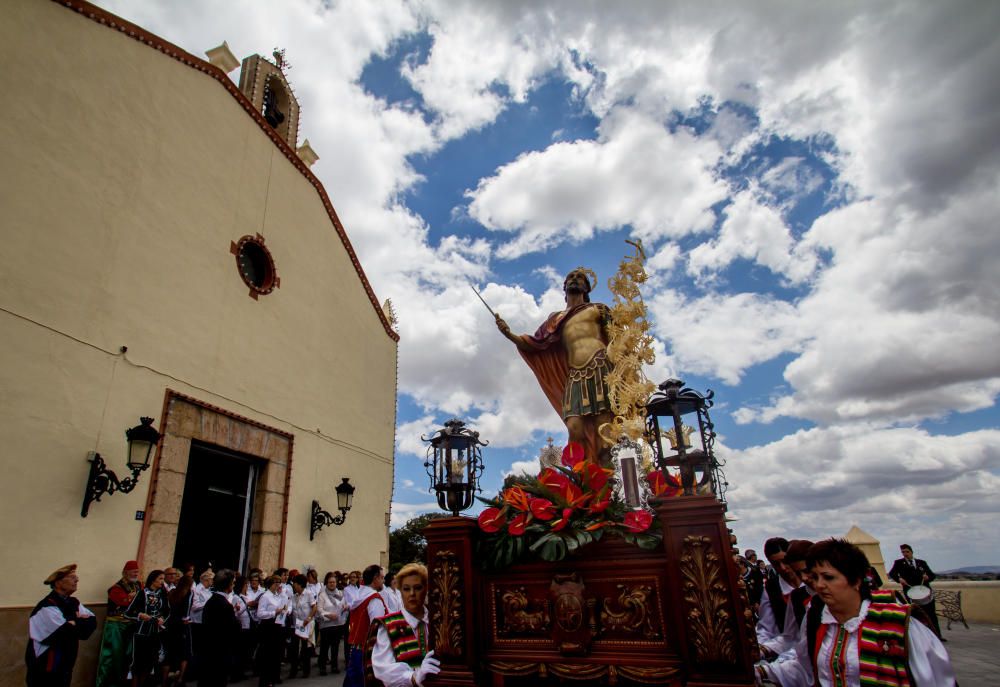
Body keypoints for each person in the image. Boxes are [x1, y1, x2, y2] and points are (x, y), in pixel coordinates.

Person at [758, 538, 955, 686]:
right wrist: (762, 672)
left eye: (828, 577)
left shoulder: (896, 622)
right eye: (815, 577)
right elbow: (804, 667)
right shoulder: (816, 619)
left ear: (855, 579)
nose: (819, 585)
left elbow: (936, 679)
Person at [495, 268, 614, 464]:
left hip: (601, 367)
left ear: (587, 287)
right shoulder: (556, 319)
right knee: (575, 427)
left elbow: (615, 340)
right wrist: (509, 334)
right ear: (564, 287)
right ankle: (583, 480)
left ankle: (610, 482)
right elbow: (535, 343)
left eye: (580, 278)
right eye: (571, 278)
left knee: (605, 430)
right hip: (576, 374)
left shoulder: (599, 309)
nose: (575, 280)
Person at [366, 563, 440, 687]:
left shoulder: (438, 621)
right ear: (400, 590)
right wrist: (413, 677)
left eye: (418, 588)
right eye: (406, 588)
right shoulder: (389, 625)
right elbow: (383, 669)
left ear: (426, 589)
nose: (412, 593)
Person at [25, 564, 97, 687]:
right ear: (58, 583)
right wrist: (77, 621)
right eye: (71, 577)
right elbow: (63, 632)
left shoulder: (74, 602)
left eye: (76, 576)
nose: (77, 579)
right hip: (46, 667)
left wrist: (73, 622)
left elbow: (91, 622)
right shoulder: (46, 606)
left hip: (66, 665)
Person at [97, 560, 143, 687]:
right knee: (112, 657)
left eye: (137, 571)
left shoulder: (139, 585)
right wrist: (134, 598)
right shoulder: (115, 588)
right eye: (133, 571)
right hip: (116, 627)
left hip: (132, 626)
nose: (136, 574)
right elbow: (123, 601)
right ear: (125, 572)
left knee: (128, 657)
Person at [755, 538, 802, 660]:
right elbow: (766, 627)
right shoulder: (772, 589)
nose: (783, 568)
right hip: (785, 653)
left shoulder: (811, 583)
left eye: (785, 561)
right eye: (776, 564)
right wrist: (761, 649)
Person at [344, 565, 388, 687]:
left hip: (355, 649)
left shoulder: (359, 595)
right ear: (375, 578)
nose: (383, 581)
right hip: (368, 652)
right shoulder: (374, 599)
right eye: (382, 577)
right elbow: (377, 629)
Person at [124, 570, 170, 687]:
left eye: (163, 579)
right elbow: (127, 613)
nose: (162, 581)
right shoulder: (142, 593)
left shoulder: (162, 594)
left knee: (150, 662)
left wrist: (162, 618)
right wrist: (140, 615)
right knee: (138, 663)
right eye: (160, 579)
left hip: (155, 633)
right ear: (153, 579)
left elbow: (167, 611)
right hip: (141, 633)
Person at [888, 543, 943, 638]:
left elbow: (932, 575)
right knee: (916, 614)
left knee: (931, 613)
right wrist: (899, 579)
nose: (905, 554)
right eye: (903, 552)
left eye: (907, 552)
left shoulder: (921, 562)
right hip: (911, 592)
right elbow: (892, 574)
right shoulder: (899, 563)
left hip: (925, 591)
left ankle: (937, 635)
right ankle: (921, 636)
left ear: (911, 552)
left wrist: (927, 577)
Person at [199, 569, 240, 687]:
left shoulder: (211, 601)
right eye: (233, 582)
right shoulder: (224, 605)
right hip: (220, 652)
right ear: (228, 584)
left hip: (209, 650)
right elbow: (231, 630)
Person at [254, 576, 288, 687]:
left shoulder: (277, 595)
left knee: (274, 654)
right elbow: (260, 613)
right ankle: (264, 681)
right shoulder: (265, 596)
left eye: (279, 583)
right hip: (267, 626)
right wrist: (274, 613)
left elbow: (284, 603)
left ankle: (272, 679)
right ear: (270, 584)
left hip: (276, 626)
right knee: (267, 655)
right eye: (276, 583)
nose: (278, 585)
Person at [164, 573, 194, 687]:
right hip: (182, 625)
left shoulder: (172, 593)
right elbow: (186, 611)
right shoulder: (189, 593)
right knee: (184, 653)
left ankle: (164, 680)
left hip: (171, 625)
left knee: (169, 653)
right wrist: (186, 619)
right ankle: (180, 679)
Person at [316, 571, 348, 675]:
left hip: (338, 624)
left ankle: (334, 666)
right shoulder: (322, 595)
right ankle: (322, 667)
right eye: (330, 582)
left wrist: (345, 607)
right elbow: (319, 610)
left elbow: (345, 605)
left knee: (335, 647)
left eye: (334, 582)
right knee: (324, 647)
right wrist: (329, 615)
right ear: (326, 583)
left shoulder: (339, 594)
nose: (332, 584)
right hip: (326, 625)